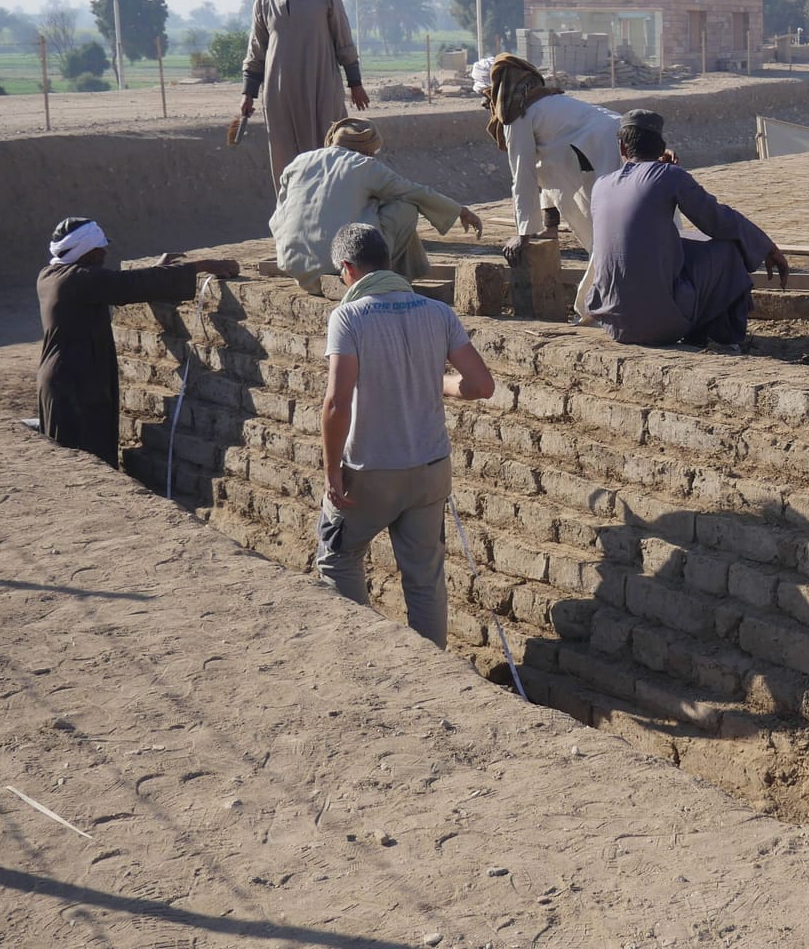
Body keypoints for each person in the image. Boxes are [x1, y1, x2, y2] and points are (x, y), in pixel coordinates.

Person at [316, 224, 495, 648]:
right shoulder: (437, 312)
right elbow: (481, 385)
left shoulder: (349, 316)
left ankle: (365, 652)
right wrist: (439, 383)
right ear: (389, 262)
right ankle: (432, 663)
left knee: (337, 559)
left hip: (371, 470)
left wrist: (331, 470)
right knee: (424, 577)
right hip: (430, 470)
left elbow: (337, 403)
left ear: (347, 269)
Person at [35, 217, 240, 465]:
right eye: (99, 249)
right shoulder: (77, 280)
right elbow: (127, 285)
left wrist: (157, 270)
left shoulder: (50, 275)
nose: (105, 253)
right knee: (83, 460)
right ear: (86, 253)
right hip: (73, 384)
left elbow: (117, 285)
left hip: (70, 377)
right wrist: (202, 265)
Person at [585, 110, 790, 346]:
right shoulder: (670, 176)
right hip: (660, 326)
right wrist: (766, 247)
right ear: (661, 146)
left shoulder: (601, 185)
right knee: (729, 250)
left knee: (679, 244)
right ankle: (724, 337)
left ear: (622, 148)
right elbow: (717, 221)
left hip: (614, 323)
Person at [267, 117, 482, 294]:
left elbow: (279, 216)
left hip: (298, 270)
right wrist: (460, 211)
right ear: (369, 151)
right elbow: (415, 192)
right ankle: (387, 276)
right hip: (342, 270)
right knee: (405, 206)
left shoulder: (298, 162)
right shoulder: (365, 165)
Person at [484, 55, 623, 319]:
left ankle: (598, 304)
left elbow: (522, 175)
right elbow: (544, 171)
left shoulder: (516, 115)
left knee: (606, 229)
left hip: (603, 149)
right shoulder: (546, 100)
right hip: (617, 134)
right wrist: (549, 227)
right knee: (617, 221)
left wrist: (523, 234)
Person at [240, 0, 369, 183]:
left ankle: (335, 210)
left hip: (321, 86)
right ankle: (292, 216)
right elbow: (256, 50)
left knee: (330, 148)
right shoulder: (264, 1)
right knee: (284, 156)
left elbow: (343, 40)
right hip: (279, 95)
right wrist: (248, 93)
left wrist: (355, 83)